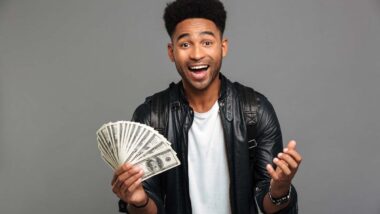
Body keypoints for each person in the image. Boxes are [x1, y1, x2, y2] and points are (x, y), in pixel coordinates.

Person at [111, 0, 302, 213]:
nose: (196, 54)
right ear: (171, 51)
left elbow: (270, 205)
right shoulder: (152, 117)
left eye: (207, 42)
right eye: (185, 44)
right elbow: (147, 206)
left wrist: (280, 190)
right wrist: (139, 201)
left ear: (223, 47)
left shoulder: (255, 111)